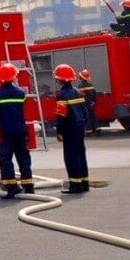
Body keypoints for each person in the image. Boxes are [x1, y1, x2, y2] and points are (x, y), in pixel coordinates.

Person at [0, 63, 35, 198]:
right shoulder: (20, 94)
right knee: (23, 158)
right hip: (21, 131)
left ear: (0, 78)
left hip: (7, 132)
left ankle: (12, 186)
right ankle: (29, 186)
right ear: (14, 77)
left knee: (5, 158)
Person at [53, 63, 90, 194]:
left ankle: (75, 185)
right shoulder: (78, 92)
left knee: (71, 156)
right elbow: (84, 111)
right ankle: (85, 183)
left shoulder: (61, 95)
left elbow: (61, 115)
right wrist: (84, 125)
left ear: (59, 79)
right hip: (79, 127)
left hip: (69, 129)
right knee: (81, 154)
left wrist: (59, 131)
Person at [77, 69, 101, 135]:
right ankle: (97, 129)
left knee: (87, 116)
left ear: (81, 77)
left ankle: (89, 130)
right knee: (93, 116)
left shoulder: (80, 85)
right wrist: (93, 102)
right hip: (91, 103)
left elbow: (81, 96)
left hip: (85, 104)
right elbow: (94, 94)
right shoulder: (91, 84)